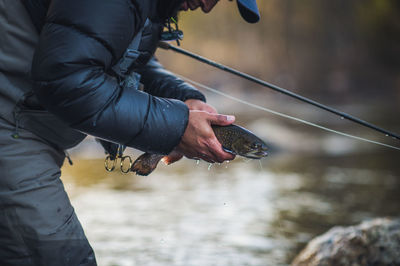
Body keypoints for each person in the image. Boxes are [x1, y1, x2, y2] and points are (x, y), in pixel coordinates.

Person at [0, 0, 260, 264]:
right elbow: (69, 81)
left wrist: (183, 99)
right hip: (9, 122)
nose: (208, 6)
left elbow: (112, 54)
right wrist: (177, 127)